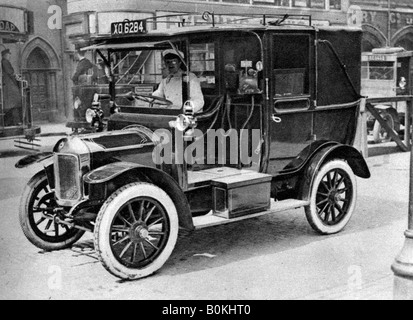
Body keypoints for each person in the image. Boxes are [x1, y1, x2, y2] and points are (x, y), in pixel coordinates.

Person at [152, 49, 204, 113]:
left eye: (173, 62)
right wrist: (150, 98)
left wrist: (187, 110)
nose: (170, 65)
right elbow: (158, 94)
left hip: (183, 115)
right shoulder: (165, 81)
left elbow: (198, 100)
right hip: (169, 113)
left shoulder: (190, 78)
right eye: (168, 62)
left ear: (179, 63)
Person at [1, 48, 23, 126]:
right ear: (5, 55)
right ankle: (16, 122)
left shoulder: (4, 61)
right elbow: (10, 73)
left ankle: (12, 122)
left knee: (12, 104)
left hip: (8, 84)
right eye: (9, 55)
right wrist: (16, 79)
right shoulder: (5, 62)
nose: (9, 56)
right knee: (15, 101)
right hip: (8, 84)